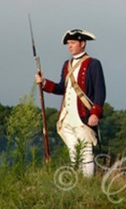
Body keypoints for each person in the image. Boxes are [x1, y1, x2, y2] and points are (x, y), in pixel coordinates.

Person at [35, 29, 106, 177]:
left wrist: (95, 113)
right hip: (67, 116)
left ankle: (87, 183)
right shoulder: (66, 64)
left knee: (85, 152)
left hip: (84, 116)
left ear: (83, 44)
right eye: (69, 43)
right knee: (74, 152)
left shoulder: (93, 64)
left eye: (73, 43)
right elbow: (62, 88)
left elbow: (100, 91)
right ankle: (78, 180)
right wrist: (44, 83)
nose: (70, 46)